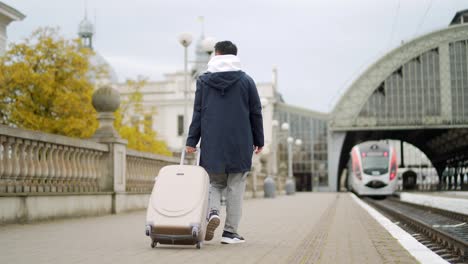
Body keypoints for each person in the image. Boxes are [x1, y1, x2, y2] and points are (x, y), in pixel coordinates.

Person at [186, 40, 264, 244]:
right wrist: (259, 140)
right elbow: (256, 112)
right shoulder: (246, 81)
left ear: (217, 54)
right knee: (235, 186)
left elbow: (198, 112)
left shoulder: (203, 81)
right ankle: (230, 233)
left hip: (212, 141)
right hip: (240, 141)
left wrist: (192, 140)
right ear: (235, 56)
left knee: (214, 183)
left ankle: (213, 212)